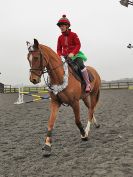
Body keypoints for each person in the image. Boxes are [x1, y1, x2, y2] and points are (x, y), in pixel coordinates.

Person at [56, 15, 91, 93]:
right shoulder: (60, 37)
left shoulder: (74, 35)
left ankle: (87, 83)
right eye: (60, 26)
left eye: (62, 26)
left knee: (80, 65)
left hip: (76, 55)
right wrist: (60, 55)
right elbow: (58, 49)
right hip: (65, 57)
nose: (61, 27)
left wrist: (73, 53)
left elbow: (78, 45)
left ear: (67, 26)